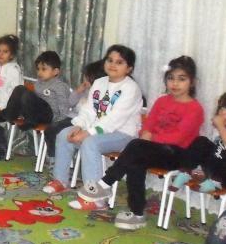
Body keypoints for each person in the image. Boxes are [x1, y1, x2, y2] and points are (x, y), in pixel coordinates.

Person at [70, 56, 204, 222]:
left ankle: (104, 184)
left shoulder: (195, 108)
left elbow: (178, 137)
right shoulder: (162, 101)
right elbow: (149, 123)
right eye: (171, 78)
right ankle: (137, 213)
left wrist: (150, 138)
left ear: (192, 82)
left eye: (181, 79)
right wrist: (146, 134)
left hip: (177, 154)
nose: (175, 83)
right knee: (135, 159)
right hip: (154, 148)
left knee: (136, 147)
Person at [43, 45, 143, 199]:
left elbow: (114, 120)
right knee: (63, 134)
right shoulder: (99, 82)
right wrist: (78, 125)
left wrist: (88, 133)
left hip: (123, 134)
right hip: (97, 130)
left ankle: (95, 194)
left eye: (119, 62)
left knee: (90, 143)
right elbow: (89, 110)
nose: (113, 65)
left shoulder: (131, 88)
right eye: (110, 60)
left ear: (129, 68)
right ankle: (60, 180)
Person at [0, 51, 71, 158]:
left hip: (49, 115)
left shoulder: (60, 86)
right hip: (36, 114)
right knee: (19, 88)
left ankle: (27, 120)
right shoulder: (38, 84)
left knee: (27, 94)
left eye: (44, 69)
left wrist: (56, 124)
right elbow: (31, 103)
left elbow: (64, 108)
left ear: (55, 71)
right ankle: (9, 114)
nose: (39, 72)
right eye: (38, 69)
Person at [43, 60, 107, 161]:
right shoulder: (83, 91)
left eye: (87, 78)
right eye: (85, 77)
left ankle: (56, 158)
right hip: (70, 118)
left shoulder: (100, 94)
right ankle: (52, 156)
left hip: (81, 123)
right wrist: (77, 92)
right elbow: (69, 103)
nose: (84, 80)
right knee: (50, 129)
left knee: (55, 131)